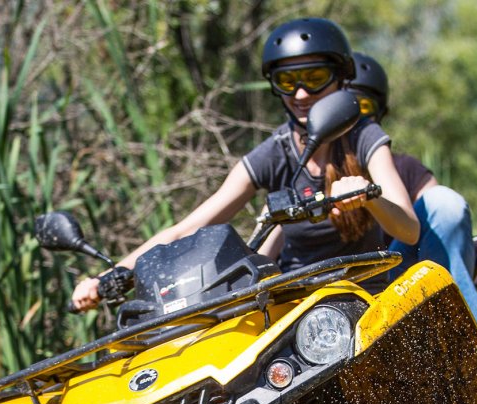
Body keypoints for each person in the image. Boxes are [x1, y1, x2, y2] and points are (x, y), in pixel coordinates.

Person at [70, 18, 418, 312]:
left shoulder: (363, 136)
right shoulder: (275, 152)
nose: (299, 94)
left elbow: (408, 229)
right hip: (295, 301)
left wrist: (369, 196)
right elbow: (186, 228)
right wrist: (110, 276)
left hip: (363, 295)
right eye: (287, 81)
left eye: (314, 78)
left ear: (341, 79)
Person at [347, 52, 477, 363]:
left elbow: (444, 222)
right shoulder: (313, 174)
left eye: (361, 108)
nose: (351, 119)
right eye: (342, 108)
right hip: (342, 300)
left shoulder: (405, 168)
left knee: (444, 203)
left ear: (380, 113)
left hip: (401, 284)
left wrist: (475, 245)